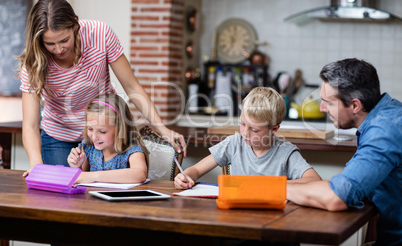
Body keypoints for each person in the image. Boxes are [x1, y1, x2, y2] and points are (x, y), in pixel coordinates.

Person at [17, 0, 186, 177]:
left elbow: (132, 87)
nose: (58, 50)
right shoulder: (33, 61)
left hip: (104, 131)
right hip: (59, 136)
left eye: (64, 40)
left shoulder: (100, 33)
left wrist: (163, 129)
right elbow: (31, 126)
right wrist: (36, 164)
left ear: (75, 24)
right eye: (50, 43)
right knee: (61, 197)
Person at [286, 58, 402, 246]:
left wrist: (275, 188)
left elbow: (336, 197)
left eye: (329, 103)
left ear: (355, 105)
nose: (323, 108)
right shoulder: (387, 114)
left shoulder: (384, 131)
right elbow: (344, 182)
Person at [174, 87, 321, 189]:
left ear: (274, 129)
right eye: (243, 124)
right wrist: (185, 176)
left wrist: (274, 185)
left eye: (255, 130)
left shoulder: (286, 152)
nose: (245, 133)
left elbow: (314, 181)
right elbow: (196, 170)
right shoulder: (234, 143)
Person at [67, 94, 148, 183]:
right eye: (90, 129)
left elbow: (139, 174)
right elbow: (83, 179)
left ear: (120, 129)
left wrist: (93, 176)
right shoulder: (88, 147)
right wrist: (76, 167)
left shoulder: (132, 150)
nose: (94, 137)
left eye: (102, 131)